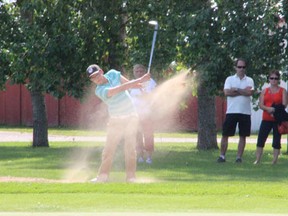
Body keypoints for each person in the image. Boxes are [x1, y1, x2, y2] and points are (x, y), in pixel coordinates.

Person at [86, 64, 150, 183]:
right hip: (115, 119)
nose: (96, 79)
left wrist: (141, 84)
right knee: (109, 150)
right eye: (93, 78)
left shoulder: (113, 74)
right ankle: (102, 177)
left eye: (96, 75)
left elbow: (129, 84)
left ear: (101, 71)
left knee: (130, 149)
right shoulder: (99, 91)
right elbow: (119, 89)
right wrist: (139, 80)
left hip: (131, 116)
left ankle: (131, 178)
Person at [217, 58, 255, 163]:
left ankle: (238, 158)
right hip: (231, 111)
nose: (241, 69)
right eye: (239, 67)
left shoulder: (250, 80)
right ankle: (222, 156)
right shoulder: (229, 79)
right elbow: (227, 93)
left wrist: (237, 89)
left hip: (245, 112)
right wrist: (243, 91)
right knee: (225, 134)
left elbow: (250, 93)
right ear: (235, 67)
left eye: (243, 67)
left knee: (243, 135)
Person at [254, 70, 287, 164]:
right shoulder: (265, 91)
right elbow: (261, 105)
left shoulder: (283, 91)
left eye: (276, 78)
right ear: (269, 79)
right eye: (272, 78)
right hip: (266, 118)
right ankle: (257, 159)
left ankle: (274, 160)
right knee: (261, 139)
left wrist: (274, 110)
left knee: (277, 140)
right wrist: (269, 109)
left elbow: (284, 104)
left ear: (278, 80)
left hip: (277, 119)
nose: (274, 80)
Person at [129, 64, 157, 164]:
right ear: (134, 72)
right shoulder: (131, 83)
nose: (139, 73)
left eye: (141, 71)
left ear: (145, 72)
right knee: (137, 136)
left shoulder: (150, 82)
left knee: (148, 136)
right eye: (137, 71)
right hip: (135, 115)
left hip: (147, 114)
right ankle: (140, 156)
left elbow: (153, 97)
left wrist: (144, 92)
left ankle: (149, 157)